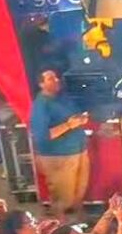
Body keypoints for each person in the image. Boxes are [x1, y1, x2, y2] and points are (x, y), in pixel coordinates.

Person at [27, 69, 90, 217]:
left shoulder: (62, 98)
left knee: (78, 195)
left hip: (78, 151)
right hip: (58, 156)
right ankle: (59, 226)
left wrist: (81, 119)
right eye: (50, 78)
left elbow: (75, 116)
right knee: (62, 199)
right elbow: (42, 135)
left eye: (56, 77)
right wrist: (68, 125)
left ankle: (79, 222)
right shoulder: (41, 105)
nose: (56, 80)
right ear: (41, 84)